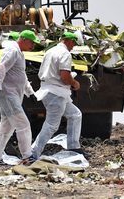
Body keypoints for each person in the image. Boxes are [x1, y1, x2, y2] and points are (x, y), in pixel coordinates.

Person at [0, 30, 40, 165]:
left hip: (12, 95)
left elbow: (21, 76)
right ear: (23, 39)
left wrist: (30, 92)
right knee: (23, 124)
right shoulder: (13, 51)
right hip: (8, 95)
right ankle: (27, 156)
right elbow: (0, 69)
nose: (33, 46)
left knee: (6, 128)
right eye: (31, 42)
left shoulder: (19, 53)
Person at [31, 31, 83, 160]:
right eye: (74, 44)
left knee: (75, 115)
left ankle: (74, 148)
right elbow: (65, 77)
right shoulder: (65, 53)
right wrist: (74, 83)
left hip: (51, 91)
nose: (73, 47)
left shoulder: (50, 51)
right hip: (56, 93)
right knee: (51, 125)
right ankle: (32, 153)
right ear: (68, 41)